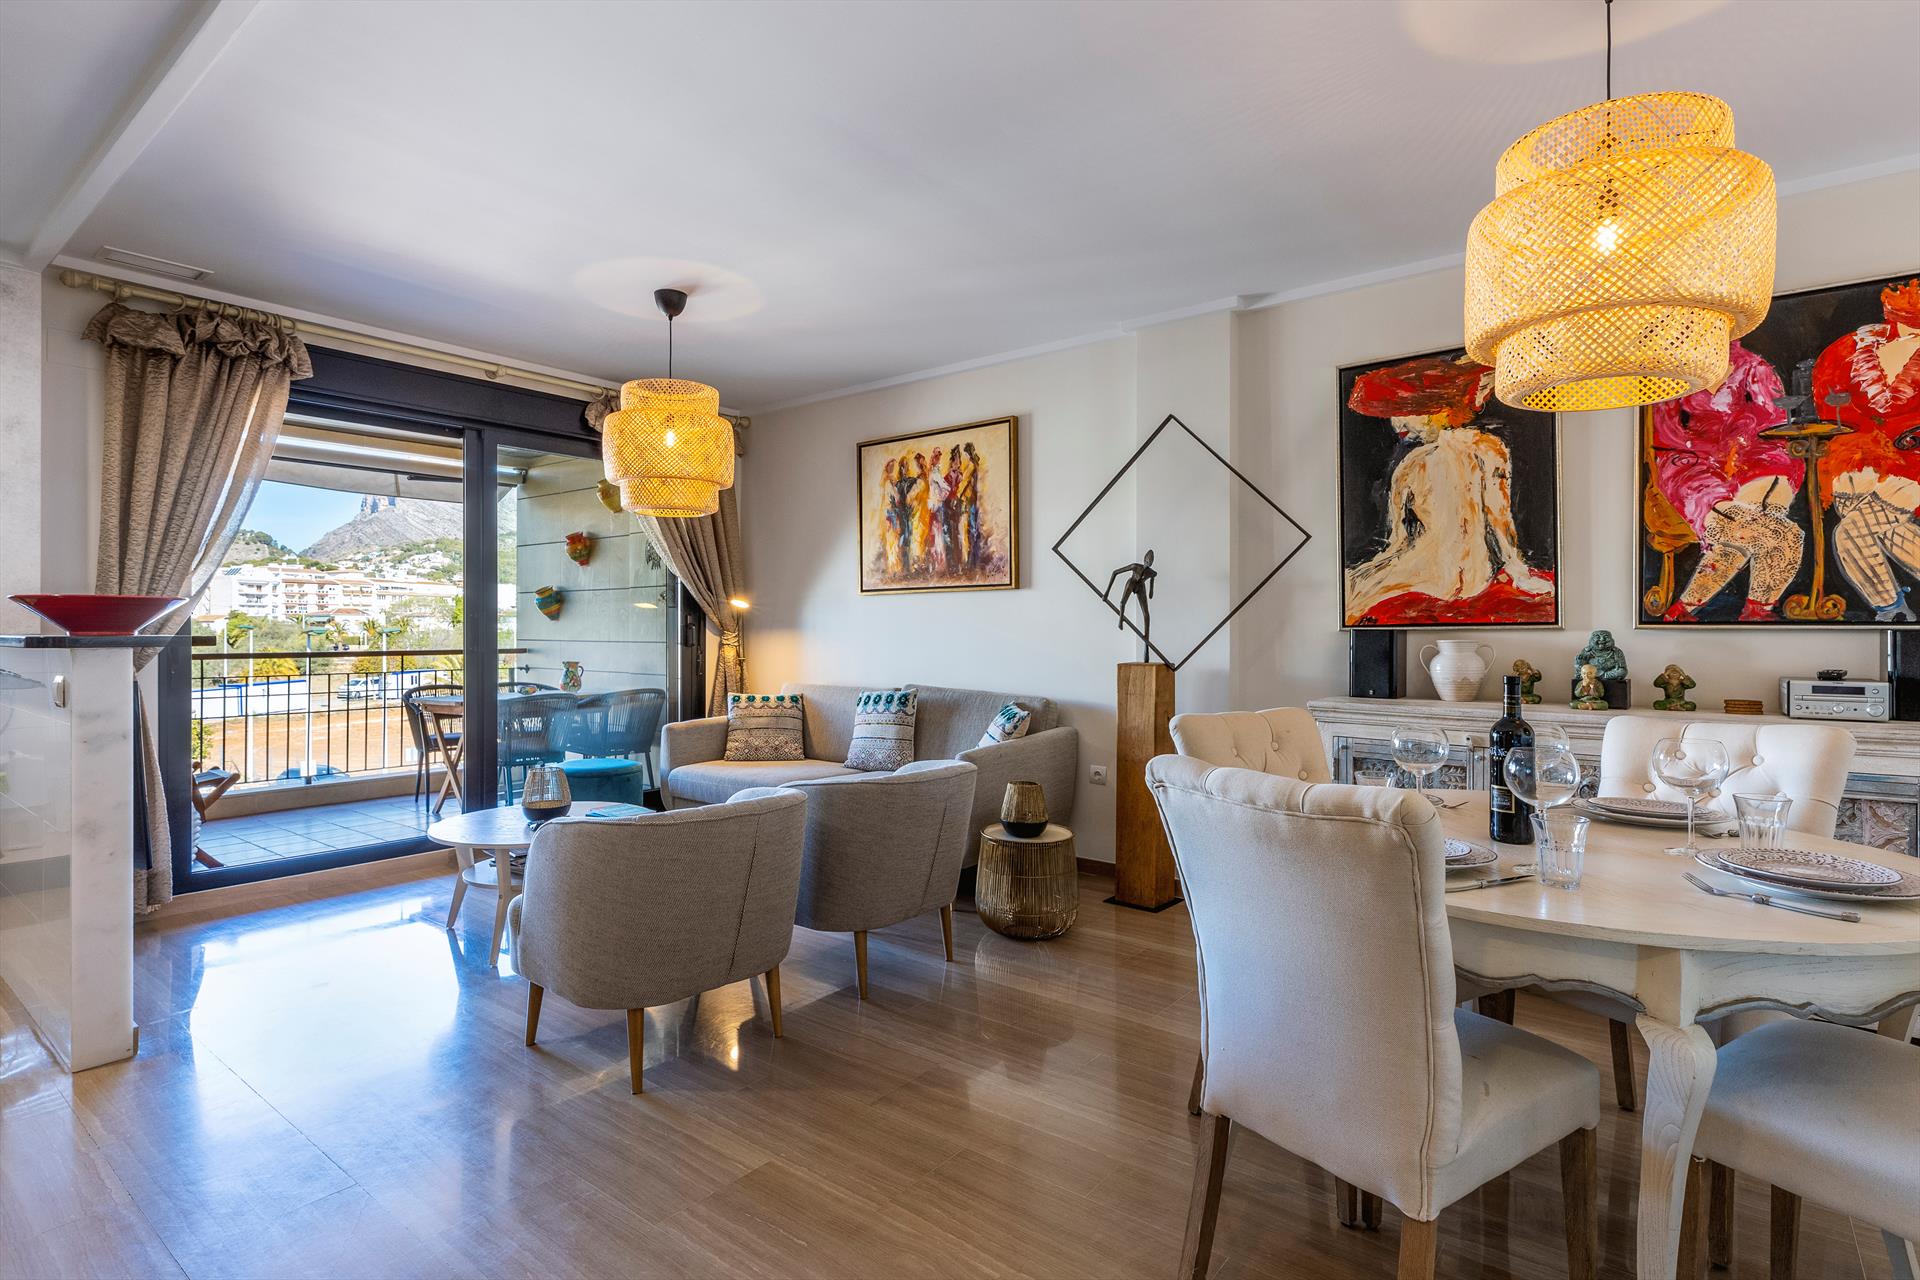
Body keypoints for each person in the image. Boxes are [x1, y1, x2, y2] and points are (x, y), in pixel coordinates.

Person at [1343, 355, 1552, 623]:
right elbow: (1499, 518)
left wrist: (1517, 569)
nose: (1397, 425)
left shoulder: (1420, 463)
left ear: (1435, 410)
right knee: (1356, 586)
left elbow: (1399, 540)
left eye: (1405, 413)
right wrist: (1517, 568)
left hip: (1440, 569)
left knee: (1356, 590)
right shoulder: (1486, 449)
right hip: (1466, 571)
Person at [1647, 342, 1803, 622]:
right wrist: (1713, 453)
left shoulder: (1754, 367)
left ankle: (1687, 613)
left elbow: (1775, 424)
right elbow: (1667, 437)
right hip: (1691, 463)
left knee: (1757, 525)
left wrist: (1741, 440)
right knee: (1780, 535)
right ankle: (1753, 613)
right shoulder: (1673, 375)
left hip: (1755, 456)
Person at [1812, 279, 1920, 620]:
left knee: (1851, 534)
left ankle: (1891, 610)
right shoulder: (1853, 347)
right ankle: (1895, 611)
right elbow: (1827, 397)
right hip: (1860, 451)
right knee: (1878, 523)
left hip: (1914, 461)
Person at [924, 447, 950, 575]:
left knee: (937, 534)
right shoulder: (933, 472)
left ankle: (939, 565)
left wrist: (939, 499)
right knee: (934, 534)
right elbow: (934, 489)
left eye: (937, 458)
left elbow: (946, 488)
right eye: (935, 458)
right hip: (934, 507)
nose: (936, 460)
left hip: (937, 507)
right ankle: (936, 564)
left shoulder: (936, 473)